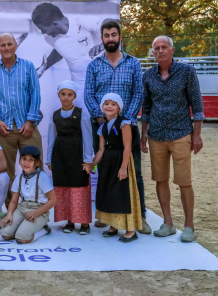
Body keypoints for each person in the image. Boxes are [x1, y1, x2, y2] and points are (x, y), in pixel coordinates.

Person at [84, 20, 151, 234]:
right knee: (104, 172)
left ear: (120, 37)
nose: (110, 38)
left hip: (127, 127)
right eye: (106, 35)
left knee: (134, 173)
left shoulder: (133, 63)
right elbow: (89, 95)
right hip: (102, 128)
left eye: (114, 34)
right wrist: (103, 121)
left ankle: (141, 217)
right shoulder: (94, 65)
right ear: (102, 38)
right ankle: (107, 215)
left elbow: (138, 93)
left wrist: (126, 120)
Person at [140, 36, 205, 243]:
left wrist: (197, 135)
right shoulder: (148, 75)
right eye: (156, 48)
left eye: (163, 47)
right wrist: (143, 134)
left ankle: (189, 226)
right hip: (156, 135)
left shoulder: (187, 72)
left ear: (172, 50)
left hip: (181, 134)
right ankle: (167, 223)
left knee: (184, 181)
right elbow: (147, 108)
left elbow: (197, 105)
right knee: (160, 179)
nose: (160, 51)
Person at [0, 33, 43, 204]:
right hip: (3, 128)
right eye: (3, 45)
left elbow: (35, 94)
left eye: (10, 44)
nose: (7, 48)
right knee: (6, 171)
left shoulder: (28, 66)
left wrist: (30, 121)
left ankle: (35, 208)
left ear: (16, 45)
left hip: (28, 126)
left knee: (34, 168)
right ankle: (12, 209)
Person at [84, 93, 143, 243]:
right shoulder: (102, 127)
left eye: (113, 104)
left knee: (122, 193)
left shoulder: (124, 123)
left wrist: (123, 168)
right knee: (109, 193)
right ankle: (113, 226)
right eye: (106, 103)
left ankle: (130, 231)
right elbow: (101, 150)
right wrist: (93, 164)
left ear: (118, 108)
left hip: (120, 160)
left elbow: (127, 146)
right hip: (107, 163)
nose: (109, 106)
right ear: (102, 107)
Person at [31, 2, 104, 104]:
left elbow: (114, 23)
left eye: (43, 29)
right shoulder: (49, 38)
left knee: (108, 118)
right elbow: (61, 50)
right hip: (80, 91)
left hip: (104, 85)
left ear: (55, 24)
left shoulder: (81, 21)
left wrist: (104, 44)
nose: (43, 33)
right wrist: (43, 67)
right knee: (83, 119)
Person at [47, 81, 94, 235]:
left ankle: (85, 223)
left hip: (77, 153)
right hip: (60, 155)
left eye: (69, 95)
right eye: (63, 94)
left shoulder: (82, 113)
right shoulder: (54, 115)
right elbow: (51, 138)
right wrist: (49, 159)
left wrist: (88, 159)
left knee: (79, 187)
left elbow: (87, 137)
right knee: (64, 189)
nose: (66, 98)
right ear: (58, 95)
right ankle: (69, 221)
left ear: (74, 96)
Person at [0, 146, 56, 244]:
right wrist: (9, 215)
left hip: (39, 209)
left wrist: (36, 213)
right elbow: (14, 200)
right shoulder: (19, 178)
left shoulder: (43, 177)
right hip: (22, 208)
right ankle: (23, 226)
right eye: (24, 159)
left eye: (31, 160)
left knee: (22, 238)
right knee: (5, 234)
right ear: (19, 160)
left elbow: (53, 200)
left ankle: (45, 229)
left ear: (37, 162)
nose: (26, 162)